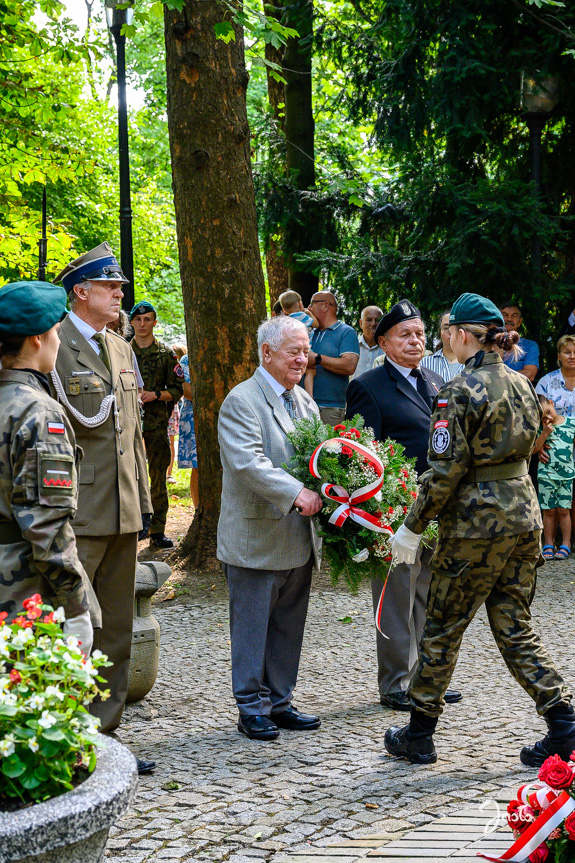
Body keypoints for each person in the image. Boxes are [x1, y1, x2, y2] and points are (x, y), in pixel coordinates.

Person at [385, 292, 574, 768]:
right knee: (514, 623)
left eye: (448, 329)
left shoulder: (459, 391)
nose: (444, 336)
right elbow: (533, 442)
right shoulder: (521, 382)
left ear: (463, 335)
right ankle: (565, 723)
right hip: (523, 518)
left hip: (476, 526)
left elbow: (445, 471)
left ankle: (419, 733)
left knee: (443, 625)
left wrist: (412, 527)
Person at [54, 243, 155, 774]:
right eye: (111, 287)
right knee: (74, 625)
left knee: (116, 626)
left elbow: (131, 432)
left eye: (119, 286)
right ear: (81, 292)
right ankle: (64, 736)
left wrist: (143, 498)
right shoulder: (54, 343)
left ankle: (105, 736)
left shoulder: (119, 347)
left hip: (122, 508)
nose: (121, 294)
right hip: (78, 510)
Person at [345, 299, 461, 711]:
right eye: (404, 335)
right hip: (395, 511)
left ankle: (427, 678)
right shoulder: (368, 385)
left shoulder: (433, 379)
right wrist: (380, 509)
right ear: (384, 342)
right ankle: (395, 682)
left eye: (419, 334)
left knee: (430, 594)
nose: (415, 341)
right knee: (396, 596)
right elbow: (362, 453)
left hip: (436, 506)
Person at [218, 316, 323, 741]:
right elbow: (248, 463)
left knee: (287, 624)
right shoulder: (241, 400)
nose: (302, 359)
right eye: (293, 351)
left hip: (298, 536)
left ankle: (279, 701)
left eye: (306, 351)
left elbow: (321, 457)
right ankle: (250, 707)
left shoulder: (305, 402)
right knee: (252, 626)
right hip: (255, 539)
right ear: (266, 353)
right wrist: (299, 492)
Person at [0, 280, 99, 651]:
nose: (59, 340)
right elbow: (46, 524)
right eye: (57, 331)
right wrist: (75, 609)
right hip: (24, 599)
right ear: (37, 339)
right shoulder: (37, 412)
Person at [129, 301, 183, 548]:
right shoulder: (121, 351)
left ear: (154, 322)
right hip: (127, 425)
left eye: (147, 319)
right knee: (128, 476)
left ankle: (157, 529)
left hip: (156, 424)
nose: (142, 324)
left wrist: (155, 395)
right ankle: (133, 526)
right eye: (138, 320)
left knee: (158, 476)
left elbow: (178, 389)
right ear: (131, 322)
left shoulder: (165, 354)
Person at [304, 291, 359, 425]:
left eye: (312, 303)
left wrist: (317, 358)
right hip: (302, 405)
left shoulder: (346, 332)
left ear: (325, 306)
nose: (308, 308)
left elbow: (349, 366)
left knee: (328, 446)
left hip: (330, 409)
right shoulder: (308, 331)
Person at [533, 396, 575, 561]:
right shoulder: (541, 427)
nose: (548, 418)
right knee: (549, 510)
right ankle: (548, 543)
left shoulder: (571, 423)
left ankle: (566, 543)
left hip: (566, 475)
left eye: (549, 413)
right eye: (543, 417)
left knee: (564, 510)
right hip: (546, 475)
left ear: (552, 403)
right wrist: (544, 433)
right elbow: (534, 449)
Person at [279, 290, 319, 397]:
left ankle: (292, 394)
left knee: (294, 372)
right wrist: (310, 313)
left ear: (284, 309)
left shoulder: (286, 320)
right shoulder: (302, 316)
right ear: (300, 304)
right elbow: (316, 324)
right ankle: (310, 397)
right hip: (306, 350)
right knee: (310, 372)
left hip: (293, 350)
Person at [176, 347, 199, 508]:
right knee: (199, 468)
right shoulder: (186, 360)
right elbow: (188, 392)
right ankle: (199, 510)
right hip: (194, 416)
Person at [536, 335, 575, 419]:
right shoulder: (546, 382)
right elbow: (535, 412)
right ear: (559, 356)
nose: (572, 357)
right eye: (567, 352)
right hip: (553, 431)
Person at [499, 301, 539, 381]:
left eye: (514, 316)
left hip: (519, 392)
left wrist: (499, 379)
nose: (509, 319)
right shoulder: (488, 343)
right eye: (505, 315)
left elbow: (530, 374)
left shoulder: (530, 346)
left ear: (520, 322)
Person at [420, 309, 465, 382]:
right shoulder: (424, 363)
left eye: (455, 328)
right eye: (446, 328)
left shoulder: (473, 363)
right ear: (440, 332)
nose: (450, 332)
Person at [352, 305, 384, 379]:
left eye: (377, 320)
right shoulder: (351, 347)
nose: (373, 324)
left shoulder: (390, 350)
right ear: (360, 323)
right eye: (369, 320)